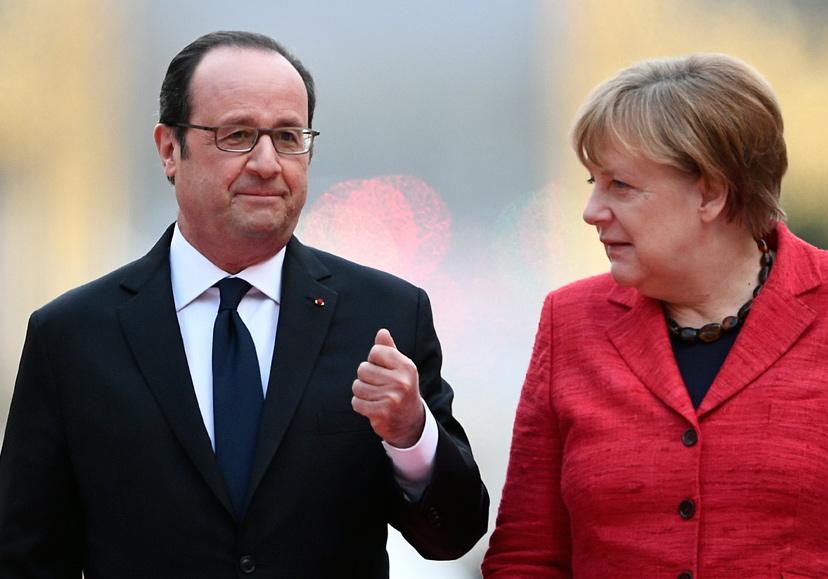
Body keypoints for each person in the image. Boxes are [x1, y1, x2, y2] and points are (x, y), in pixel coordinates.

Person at [0, 31, 488, 578]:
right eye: (237, 135)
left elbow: (455, 536)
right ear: (168, 149)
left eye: (287, 136)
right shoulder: (72, 337)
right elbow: (27, 556)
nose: (266, 163)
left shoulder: (387, 318)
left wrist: (411, 436)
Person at [482, 53, 828, 578]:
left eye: (620, 185)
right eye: (593, 184)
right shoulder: (570, 321)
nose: (592, 211)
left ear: (711, 192)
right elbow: (527, 557)